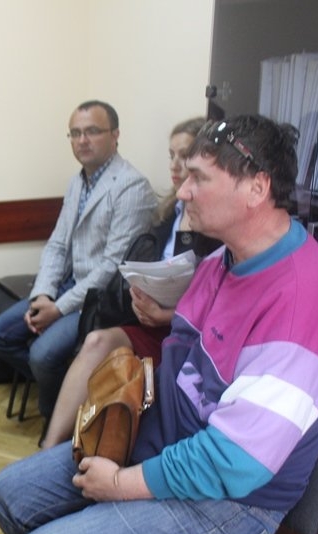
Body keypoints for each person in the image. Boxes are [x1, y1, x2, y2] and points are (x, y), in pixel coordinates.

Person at [0, 115, 318, 534]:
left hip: (233, 501)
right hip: (168, 448)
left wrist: (121, 484)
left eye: (199, 178)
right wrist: (166, 317)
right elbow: (200, 346)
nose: (182, 191)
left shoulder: (305, 301)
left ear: (256, 188)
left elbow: (236, 461)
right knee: (11, 494)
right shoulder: (223, 261)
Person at [40, 117, 218, 449]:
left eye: (185, 157)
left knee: (47, 354)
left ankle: (96, 444)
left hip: (186, 330)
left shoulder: (213, 221)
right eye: (171, 156)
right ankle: (51, 445)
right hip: (151, 317)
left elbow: (217, 301)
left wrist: (168, 315)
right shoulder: (169, 210)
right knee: (96, 341)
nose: (175, 165)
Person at [0, 100, 157, 418]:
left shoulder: (132, 187)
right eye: (75, 133)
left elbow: (112, 267)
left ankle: (56, 422)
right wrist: (43, 295)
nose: (82, 140)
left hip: (98, 301)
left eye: (92, 131)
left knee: (41, 355)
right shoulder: (78, 181)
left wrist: (59, 308)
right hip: (67, 287)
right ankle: (70, 391)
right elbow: (57, 245)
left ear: (115, 135)